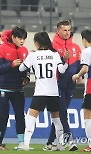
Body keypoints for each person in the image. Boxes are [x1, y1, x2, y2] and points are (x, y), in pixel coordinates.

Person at [19, 31, 69, 150]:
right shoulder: (55, 54)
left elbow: (21, 68)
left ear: (36, 43)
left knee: (31, 118)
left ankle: (25, 144)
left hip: (40, 92)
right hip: (53, 92)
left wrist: (28, 57)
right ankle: (61, 144)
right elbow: (62, 70)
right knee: (56, 120)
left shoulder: (33, 55)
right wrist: (65, 60)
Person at [44, 20, 81, 151]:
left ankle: (49, 143)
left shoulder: (76, 47)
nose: (67, 32)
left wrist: (79, 75)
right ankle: (70, 141)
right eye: (64, 30)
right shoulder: (52, 47)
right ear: (58, 31)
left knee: (60, 114)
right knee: (63, 113)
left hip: (70, 86)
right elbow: (53, 66)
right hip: (57, 85)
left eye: (69, 30)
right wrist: (63, 59)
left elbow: (78, 65)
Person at [0, 26, 30, 150]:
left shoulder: (25, 50)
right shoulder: (1, 49)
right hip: (2, 88)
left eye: (24, 39)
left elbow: (27, 68)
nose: (22, 41)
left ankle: (21, 143)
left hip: (18, 89)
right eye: (20, 38)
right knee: (1, 115)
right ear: (13, 37)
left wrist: (27, 77)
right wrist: (11, 64)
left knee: (20, 115)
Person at [72, 29, 91, 152]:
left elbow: (85, 69)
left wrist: (77, 75)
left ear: (84, 39)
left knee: (88, 116)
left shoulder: (87, 51)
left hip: (90, 88)